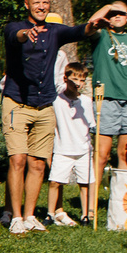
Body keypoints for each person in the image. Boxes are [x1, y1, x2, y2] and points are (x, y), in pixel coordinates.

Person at [1, 0, 127, 234]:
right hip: (16, 102)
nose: (41, 6)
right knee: (17, 160)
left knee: (38, 164)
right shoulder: (14, 27)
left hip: (45, 105)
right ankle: (15, 217)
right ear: (27, 4)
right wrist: (26, 34)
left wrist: (93, 26)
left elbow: (78, 31)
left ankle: (29, 216)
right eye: (36, 2)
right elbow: (15, 36)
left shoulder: (55, 32)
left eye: (46, 2)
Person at [89, 1, 127, 183]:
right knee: (102, 155)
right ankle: (91, 204)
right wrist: (107, 6)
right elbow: (91, 23)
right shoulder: (100, 36)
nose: (117, 16)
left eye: (121, 13)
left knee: (125, 155)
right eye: (113, 13)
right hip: (106, 99)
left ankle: (120, 200)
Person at [46, 60, 93, 226]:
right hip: (63, 148)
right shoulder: (57, 100)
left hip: (83, 149)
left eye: (82, 80)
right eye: (75, 80)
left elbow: (91, 124)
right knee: (55, 181)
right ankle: (50, 214)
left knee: (84, 183)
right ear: (65, 78)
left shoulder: (86, 101)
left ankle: (85, 215)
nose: (78, 84)